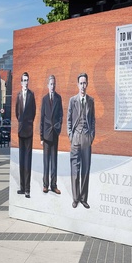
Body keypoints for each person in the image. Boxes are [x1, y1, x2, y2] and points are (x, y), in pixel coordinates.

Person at [67, 73, 95, 209]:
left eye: (84, 83)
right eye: (81, 83)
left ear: (87, 84)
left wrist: (91, 136)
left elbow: (93, 120)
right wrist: (70, 136)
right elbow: (68, 120)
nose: (83, 86)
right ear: (77, 85)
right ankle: (75, 198)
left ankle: (84, 198)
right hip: (75, 138)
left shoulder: (91, 101)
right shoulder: (72, 100)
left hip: (86, 138)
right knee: (74, 169)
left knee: (85, 169)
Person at [40, 74, 63, 194]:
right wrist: (41, 136)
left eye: (54, 84)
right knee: (46, 161)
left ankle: (54, 185)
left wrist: (58, 128)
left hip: (55, 134)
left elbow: (61, 115)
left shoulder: (58, 98)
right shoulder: (44, 99)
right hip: (46, 135)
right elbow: (42, 118)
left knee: (54, 161)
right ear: (47, 85)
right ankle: (45, 185)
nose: (53, 86)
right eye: (51, 84)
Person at [15, 71, 36, 198]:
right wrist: (21, 122)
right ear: (21, 82)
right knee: (21, 160)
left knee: (28, 161)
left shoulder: (31, 95)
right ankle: (22, 187)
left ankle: (27, 189)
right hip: (20, 130)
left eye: (27, 80)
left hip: (28, 130)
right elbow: (17, 112)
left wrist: (28, 122)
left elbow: (33, 111)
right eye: (24, 80)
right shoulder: (18, 95)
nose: (25, 82)